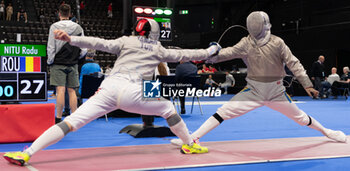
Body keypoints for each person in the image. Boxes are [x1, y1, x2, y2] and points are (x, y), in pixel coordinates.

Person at [3, 18, 221, 166]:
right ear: (155, 33)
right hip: (135, 93)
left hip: (108, 89)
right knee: (168, 107)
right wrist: (212, 50)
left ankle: (28, 153)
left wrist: (72, 39)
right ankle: (190, 145)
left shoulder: (126, 41)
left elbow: (100, 43)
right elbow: (189, 53)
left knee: (71, 122)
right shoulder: (158, 49)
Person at [171, 11, 347, 147]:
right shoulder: (246, 42)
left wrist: (307, 84)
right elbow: (227, 53)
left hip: (276, 91)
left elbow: (294, 63)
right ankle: (191, 138)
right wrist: (212, 54)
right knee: (222, 112)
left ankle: (328, 132)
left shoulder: (278, 43)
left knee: (301, 117)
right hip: (253, 91)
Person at [47, 4, 87, 123]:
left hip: (59, 63)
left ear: (59, 13)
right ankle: (74, 118)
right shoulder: (79, 28)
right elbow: (84, 48)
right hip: (73, 63)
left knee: (60, 90)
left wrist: (50, 61)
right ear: (70, 14)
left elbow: (51, 47)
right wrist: (76, 57)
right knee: (72, 91)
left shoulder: (54, 27)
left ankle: (58, 118)